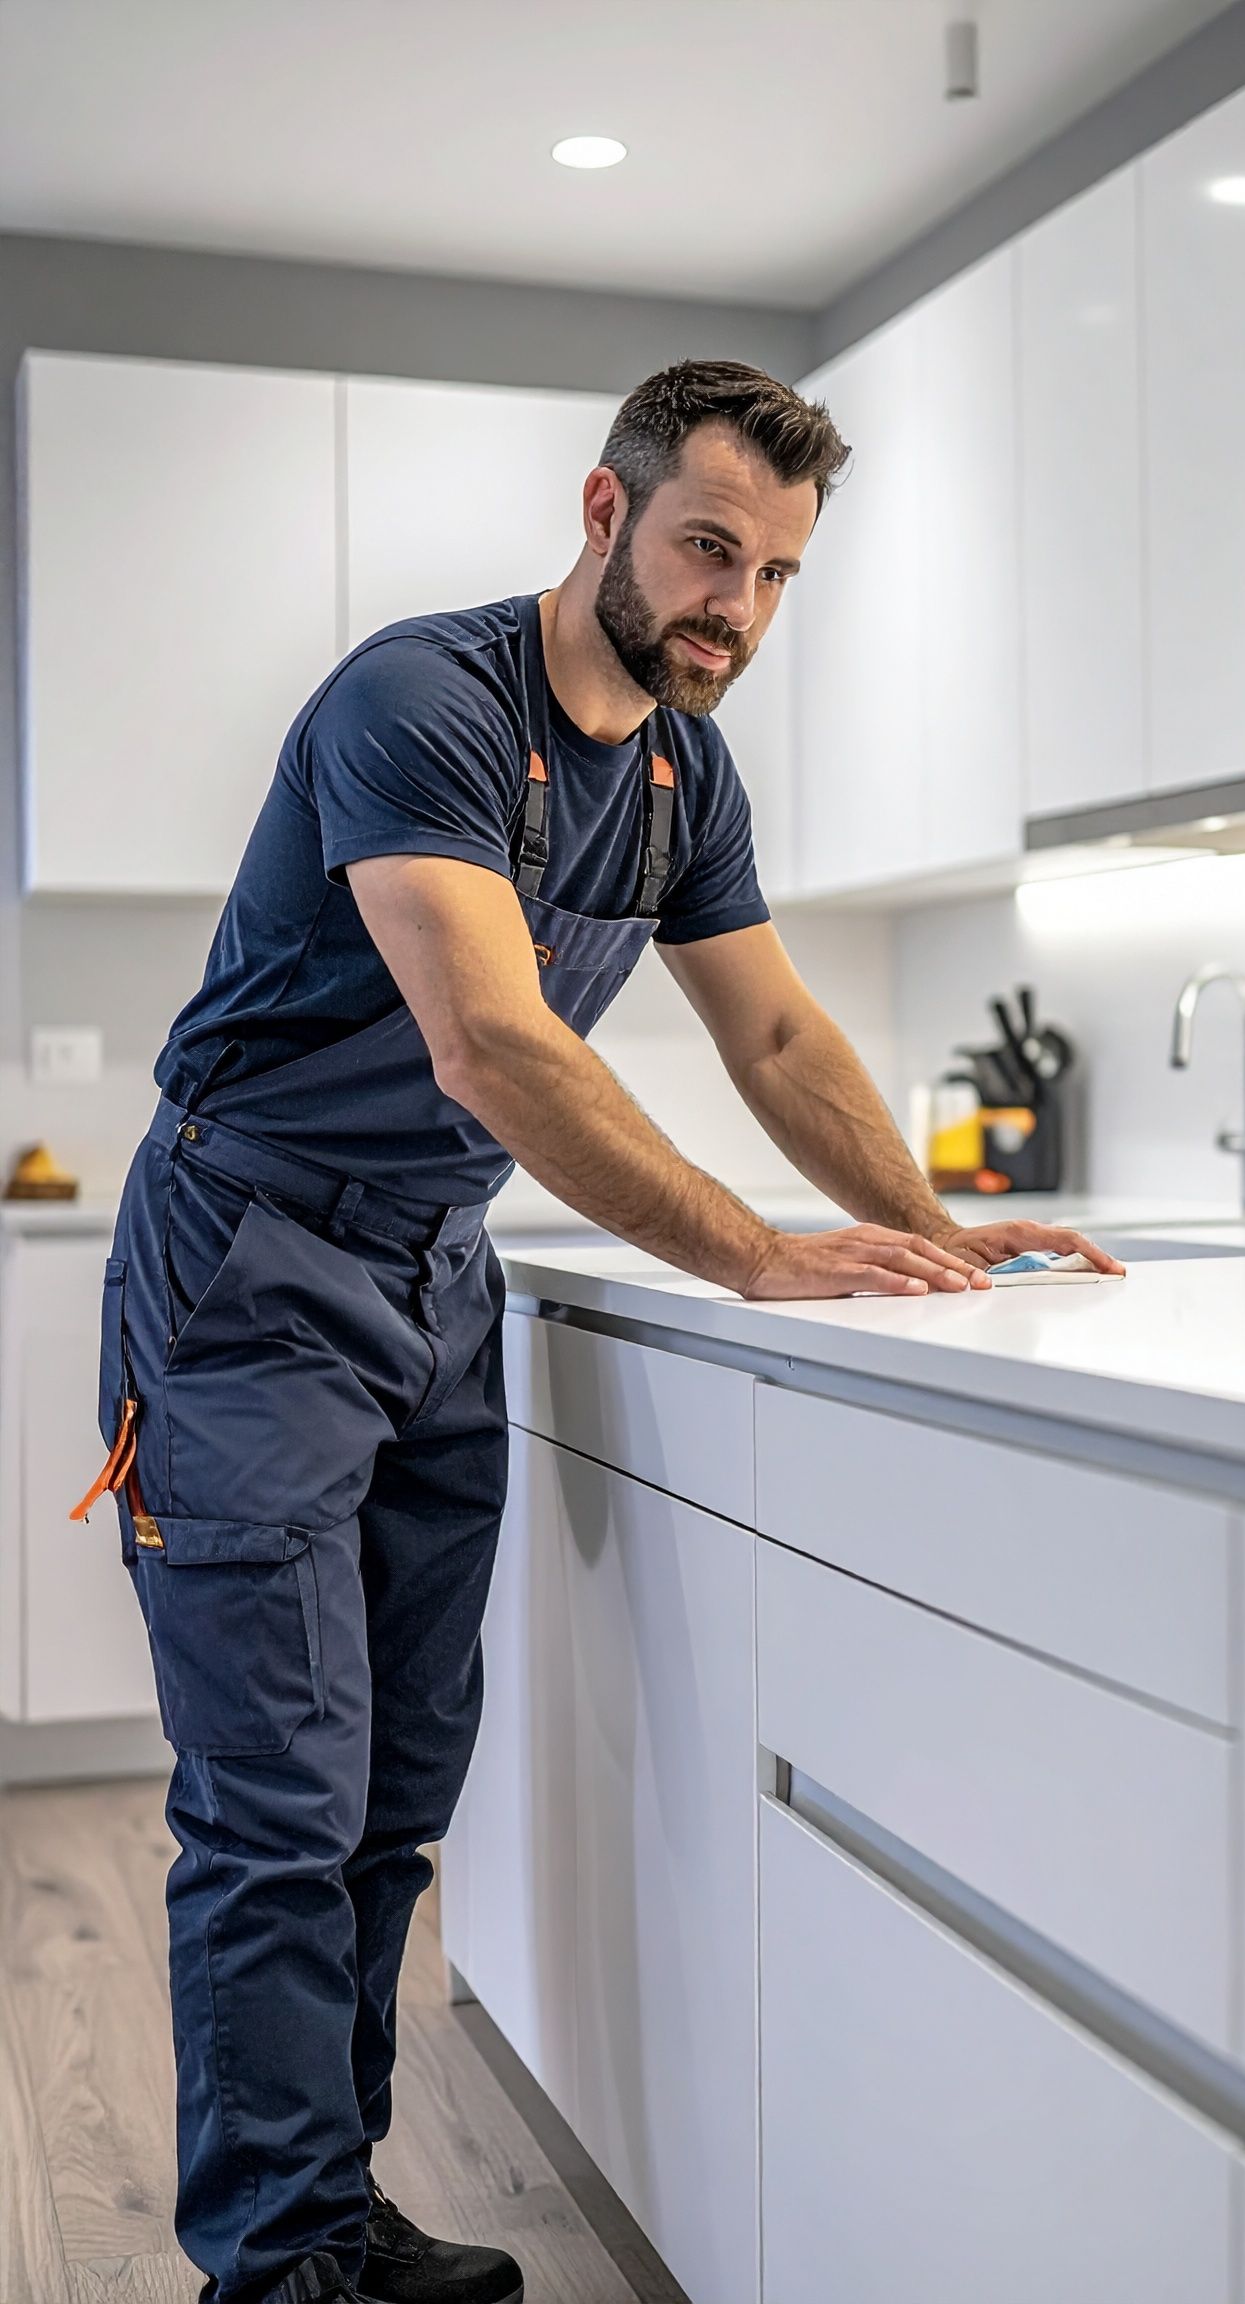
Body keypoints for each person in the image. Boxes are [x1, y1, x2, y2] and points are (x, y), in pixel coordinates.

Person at [82, 358, 1119, 2304]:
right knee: (276, 1804)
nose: (736, 603)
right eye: (710, 547)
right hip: (253, 1275)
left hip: (430, 1281)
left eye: (778, 574)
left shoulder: (678, 777)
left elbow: (783, 1038)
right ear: (601, 513)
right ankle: (274, 2272)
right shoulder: (425, 705)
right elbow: (490, 1039)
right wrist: (755, 1254)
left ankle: (330, 2213)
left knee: (391, 1796)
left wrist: (933, 1233)